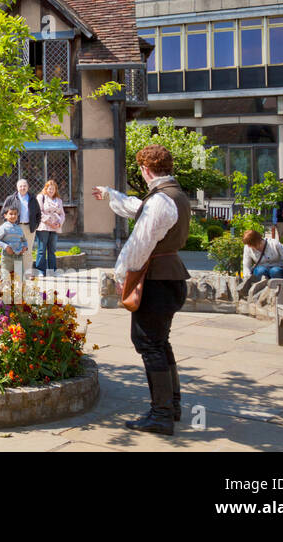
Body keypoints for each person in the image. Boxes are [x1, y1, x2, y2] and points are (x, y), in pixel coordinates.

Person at [93, 144, 192, 436]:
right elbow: (140, 208)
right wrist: (112, 196)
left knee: (149, 343)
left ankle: (161, 414)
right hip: (171, 277)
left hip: (157, 281)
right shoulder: (174, 195)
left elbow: (141, 241)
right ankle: (171, 406)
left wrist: (123, 274)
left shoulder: (161, 200)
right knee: (160, 343)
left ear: (146, 170)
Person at [2, 178, 41, 269]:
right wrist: (9, 226)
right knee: (16, 249)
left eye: (25, 186)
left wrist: (35, 226)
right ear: (17, 187)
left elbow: (38, 214)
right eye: (21, 186)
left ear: (28, 187)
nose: (23, 188)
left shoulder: (32, 198)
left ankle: (27, 273)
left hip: (29, 228)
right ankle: (17, 273)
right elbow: (3, 213)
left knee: (28, 251)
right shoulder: (11, 199)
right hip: (16, 227)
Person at [0, 206, 29, 302]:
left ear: (17, 216)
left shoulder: (19, 229)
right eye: (10, 214)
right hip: (7, 257)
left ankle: (18, 300)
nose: (13, 216)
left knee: (19, 279)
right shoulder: (4, 227)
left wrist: (25, 247)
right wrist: (6, 247)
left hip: (18, 257)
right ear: (5, 215)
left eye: (15, 214)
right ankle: (5, 301)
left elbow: (24, 240)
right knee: (6, 278)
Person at [34, 179, 65, 277]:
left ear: (56, 190)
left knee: (52, 250)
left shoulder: (59, 200)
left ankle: (52, 271)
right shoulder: (41, 197)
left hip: (55, 228)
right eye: (49, 188)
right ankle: (40, 271)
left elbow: (62, 214)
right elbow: (39, 212)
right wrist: (49, 222)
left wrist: (59, 223)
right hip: (43, 227)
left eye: (53, 189)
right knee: (41, 250)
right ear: (46, 189)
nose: (51, 190)